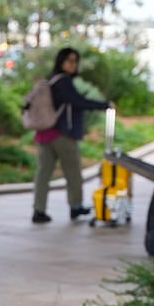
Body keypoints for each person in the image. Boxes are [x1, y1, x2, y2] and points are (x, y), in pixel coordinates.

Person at [32, 47, 111, 224]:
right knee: (73, 172)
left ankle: (39, 210)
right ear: (61, 61)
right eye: (70, 60)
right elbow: (78, 102)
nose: (74, 64)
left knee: (43, 174)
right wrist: (105, 104)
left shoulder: (50, 80)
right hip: (62, 134)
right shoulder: (64, 82)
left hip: (44, 133)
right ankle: (76, 207)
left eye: (75, 61)